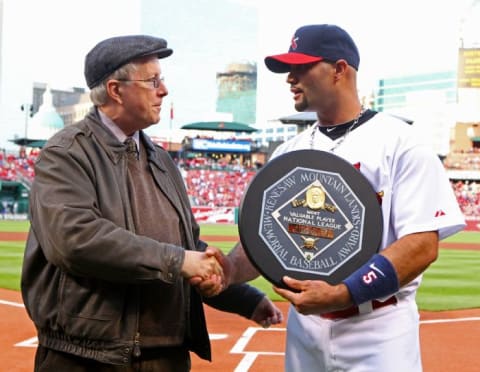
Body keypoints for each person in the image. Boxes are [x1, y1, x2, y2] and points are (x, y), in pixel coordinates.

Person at [200, 24, 466, 371]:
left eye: (301, 67)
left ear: (339, 70)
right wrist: (231, 269)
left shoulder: (401, 143)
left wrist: (344, 293)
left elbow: (421, 244)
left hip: (378, 330)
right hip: (305, 330)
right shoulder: (287, 152)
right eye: (288, 69)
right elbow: (268, 239)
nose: (290, 78)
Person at [21, 34, 282, 372]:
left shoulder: (161, 159)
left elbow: (187, 249)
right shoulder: (67, 152)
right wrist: (179, 260)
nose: (164, 90)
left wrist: (245, 298)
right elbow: (74, 240)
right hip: (89, 359)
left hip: (167, 358)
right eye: (153, 80)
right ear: (116, 90)